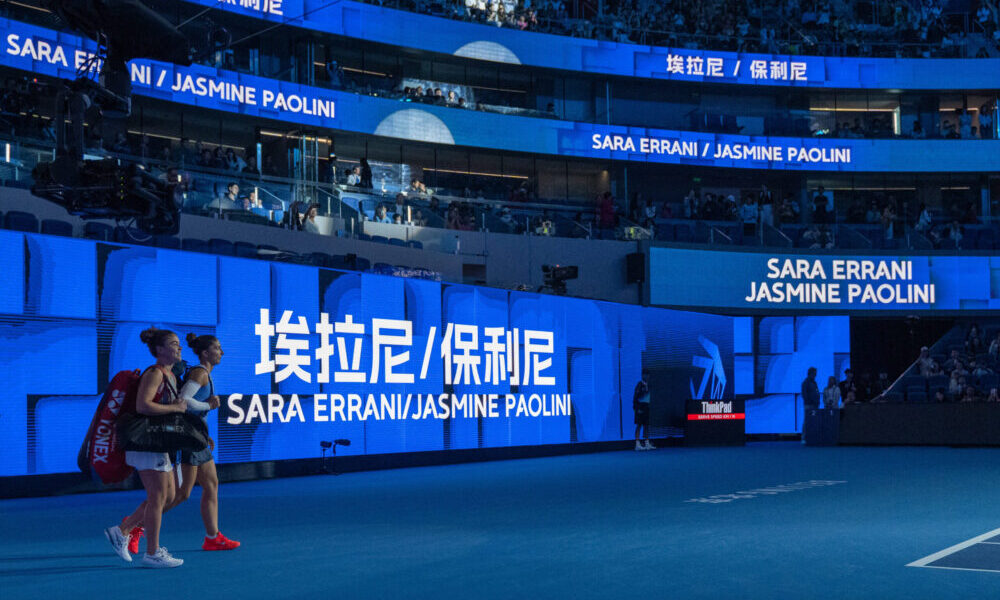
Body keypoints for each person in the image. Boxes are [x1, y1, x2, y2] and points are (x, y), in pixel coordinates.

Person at [104, 327, 187, 568]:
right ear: (159, 350)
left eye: (178, 344)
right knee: (158, 497)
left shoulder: (170, 375)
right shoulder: (155, 373)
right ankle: (152, 553)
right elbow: (143, 406)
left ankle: (123, 530)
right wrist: (175, 409)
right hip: (147, 443)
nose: (179, 347)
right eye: (173, 344)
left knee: (168, 496)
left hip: (160, 443)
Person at [166, 334, 240, 551]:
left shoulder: (204, 373)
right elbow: (184, 401)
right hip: (188, 440)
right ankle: (133, 525)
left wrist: (204, 432)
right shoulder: (200, 373)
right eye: (217, 348)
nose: (222, 352)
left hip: (197, 438)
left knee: (211, 485)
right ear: (206, 353)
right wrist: (208, 406)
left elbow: (193, 409)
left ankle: (212, 537)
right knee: (182, 494)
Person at [632, 370, 653, 451]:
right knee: (639, 425)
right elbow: (635, 398)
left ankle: (647, 443)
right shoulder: (639, 385)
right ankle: (637, 444)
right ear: (642, 375)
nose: (647, 376)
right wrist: (637, 409)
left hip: (646, 407)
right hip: (640, 408)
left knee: (646, 425)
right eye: (645, 375)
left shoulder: (649, 385)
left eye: (648, 375)